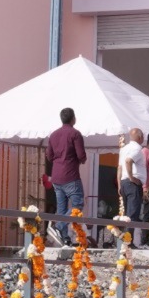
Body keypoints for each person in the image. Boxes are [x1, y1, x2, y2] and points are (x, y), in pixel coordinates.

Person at [44, 106, 86, 247]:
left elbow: (49, 156)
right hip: (71, 175)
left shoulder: (53, 135)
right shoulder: (75, 134)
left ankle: (65, 239)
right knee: (78, 205)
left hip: (56, 176)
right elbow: (81, 155)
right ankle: (58, 226)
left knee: (61, 209)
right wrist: (81, 159)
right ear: (73, 119)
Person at [117, 126, 147, 248]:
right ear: (140, 137)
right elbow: (129, 161)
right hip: (132, 184)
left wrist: (119, 185)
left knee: (127, 214)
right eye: (143, 136)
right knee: (132, 214)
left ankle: (125, 241)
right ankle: (128, 242)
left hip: (124, 183)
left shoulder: (124, 149)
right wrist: (132, 178)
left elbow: (119, 167)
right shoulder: (137, 148)